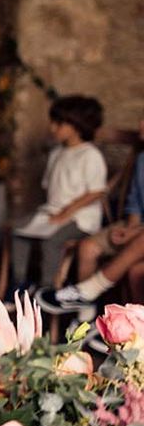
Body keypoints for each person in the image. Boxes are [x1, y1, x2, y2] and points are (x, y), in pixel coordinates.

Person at [37, 113, 144, 314]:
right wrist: (130, 227)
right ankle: (85, 319)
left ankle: (88, 290)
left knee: (136, 271)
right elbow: (135, 204)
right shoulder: (141, 160)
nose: (140, 124)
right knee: (87, 247)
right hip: (137, 227)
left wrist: (134, 233)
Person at [8, 96, 107, 299]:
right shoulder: (57, 153)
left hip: (80, 219)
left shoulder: (90, 155)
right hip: (53, 212)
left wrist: (66, 213)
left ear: (76, 126)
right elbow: (51, 188)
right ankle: (19, 284)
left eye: (58, 123)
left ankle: (47, 291)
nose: (53, 128)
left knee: (51, 241)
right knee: (18, 231)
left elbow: (96, 192)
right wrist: (52, 214)